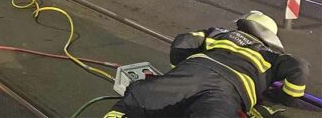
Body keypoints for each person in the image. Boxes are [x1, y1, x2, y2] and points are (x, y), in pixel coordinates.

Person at [105, 11, 310, 117]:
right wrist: (286, 97)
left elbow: (183, 41)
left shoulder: (218, 33)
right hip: (228, 91)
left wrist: (180, 70)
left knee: (138, 98)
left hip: (193, 72)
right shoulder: (270, 55)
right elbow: (299, 67)